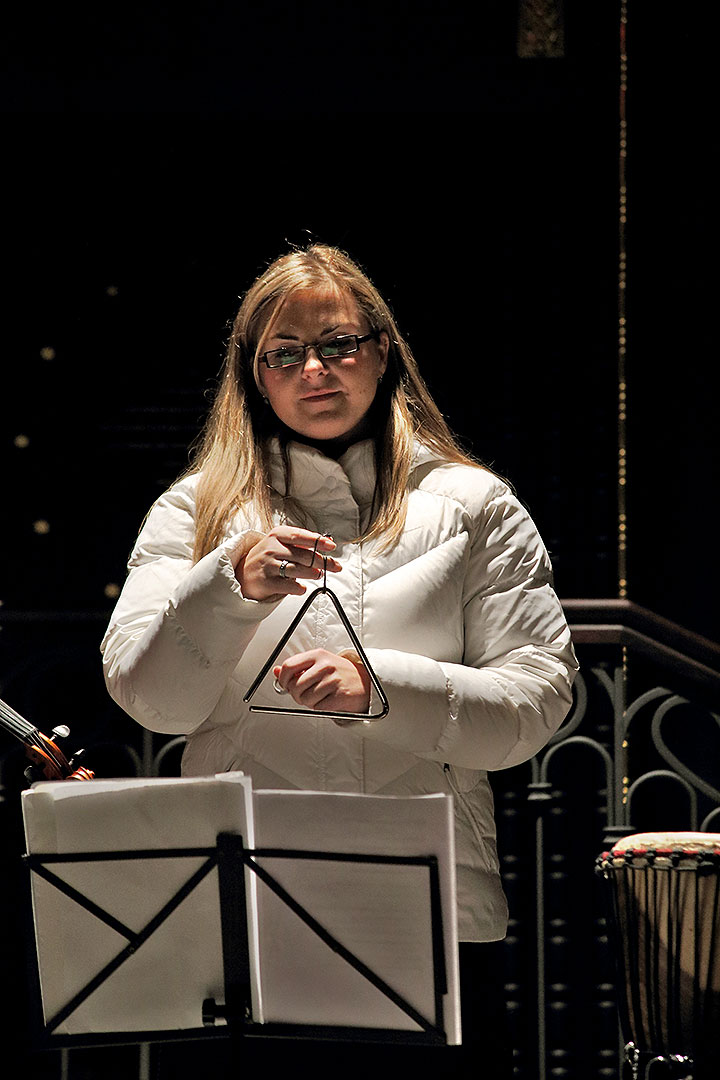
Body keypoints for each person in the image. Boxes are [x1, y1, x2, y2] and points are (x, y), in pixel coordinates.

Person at [101, 243, 577, 1078]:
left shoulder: (474, 503)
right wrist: (227, 584)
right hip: (240, 906)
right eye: (282, 354)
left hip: (426, 910)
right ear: (254, 376)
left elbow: (535, 705)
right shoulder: (196, 510)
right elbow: (150, 700)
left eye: (338, 344)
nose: (313, 369)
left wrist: (379, 686)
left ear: (383, 351)